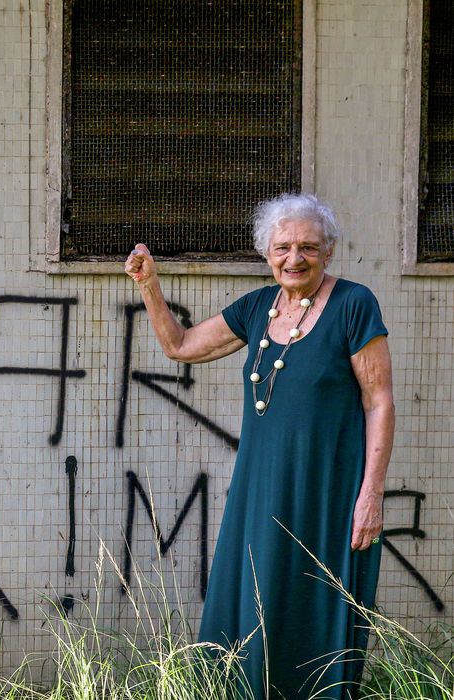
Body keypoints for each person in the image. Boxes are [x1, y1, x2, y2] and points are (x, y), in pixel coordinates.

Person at [124, 193, 395, 700]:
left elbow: (379, 402)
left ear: (328, 251)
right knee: (254, 598)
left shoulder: (355, 304)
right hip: (260, 487)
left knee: (316, 602)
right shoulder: (256, 308)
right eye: (283, 247)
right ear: (267, 253)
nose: (295, 259)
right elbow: (179, 346)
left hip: (328, 491)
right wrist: (150, 287)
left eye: (309, 248)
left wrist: (371, 494)